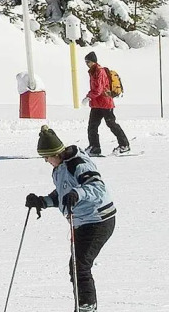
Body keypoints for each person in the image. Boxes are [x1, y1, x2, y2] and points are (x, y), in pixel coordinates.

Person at [25, 124, 116, 312]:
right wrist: (43, 201)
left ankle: (87, 307)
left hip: (99, 220)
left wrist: (78, 193)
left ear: (55, 153)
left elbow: (98, 188)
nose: (46, 161)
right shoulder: (59, 168)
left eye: (46, 157)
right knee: (76, 266)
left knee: (80, 265)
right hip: (82, 222)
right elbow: (63, 194)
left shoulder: (78, 164)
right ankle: (82, 306)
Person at [83, 52, 130, 156]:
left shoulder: (99, 72)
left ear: (93, 61)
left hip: (105, 103)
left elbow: (98, 89)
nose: (87, 64)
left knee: (111, 124)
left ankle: (124, 145)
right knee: (92, 126)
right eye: (86, 62)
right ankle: (94, 147)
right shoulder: (93, 71)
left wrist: (88, 97)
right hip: (97, 104)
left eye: (88, 61)